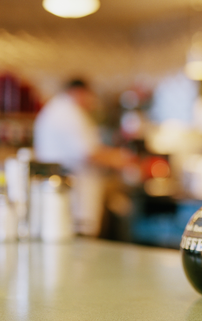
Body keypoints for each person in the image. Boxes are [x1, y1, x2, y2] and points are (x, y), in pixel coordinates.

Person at [33, 79, 135, 236]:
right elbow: (88, 152)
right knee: (78, 241)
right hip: (74, 193)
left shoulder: (56, 109)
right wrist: (122, 160)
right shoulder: (69, 112)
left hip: (61, 190)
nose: (91, 101)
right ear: (79, 92)